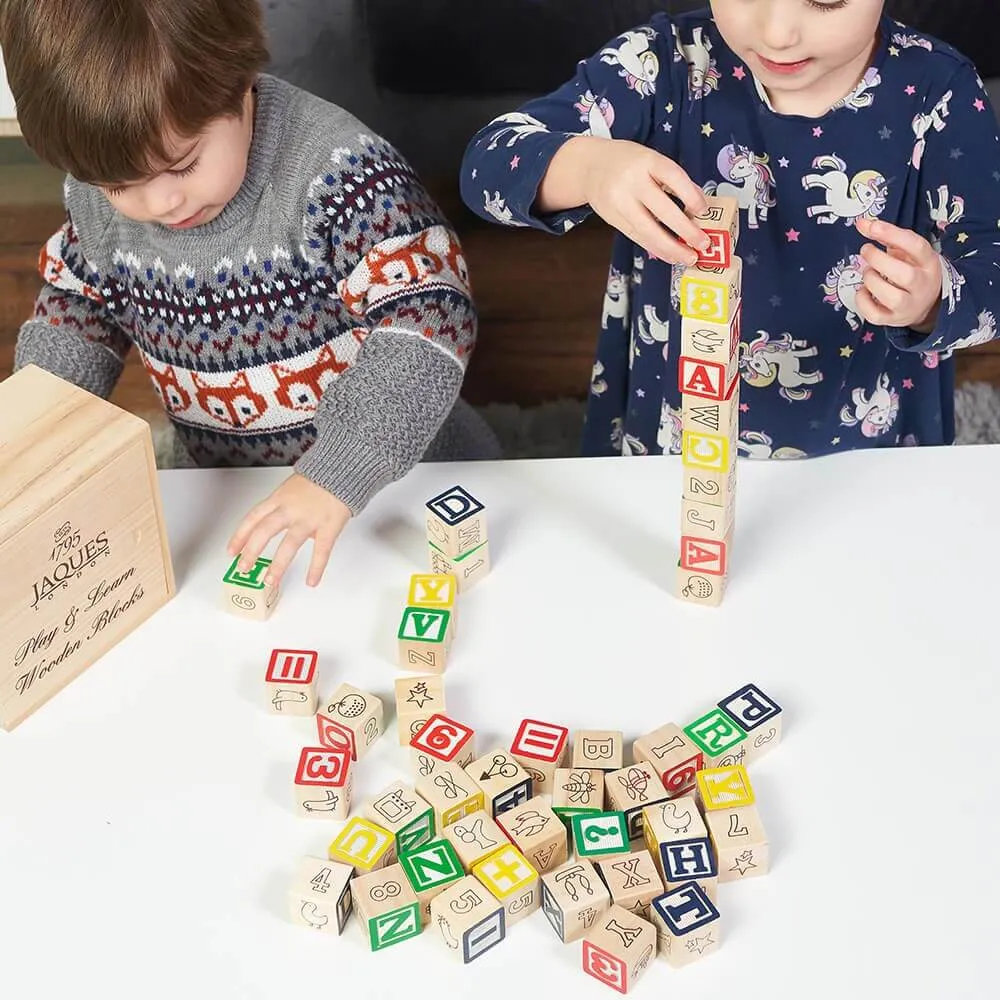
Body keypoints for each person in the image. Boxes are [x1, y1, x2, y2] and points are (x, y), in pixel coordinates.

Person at [1, 0, 499, 591]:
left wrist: (337, 472)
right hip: (228, 485)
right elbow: (78, 306)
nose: (160, 204)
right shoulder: (101, 184)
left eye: (183, 166)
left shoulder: (338, 173)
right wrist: (32, 434)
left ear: (236, 85)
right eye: (117, 185)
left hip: (397, 482)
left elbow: (430, 313)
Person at [460, 0, 1000, 460]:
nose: (777, 33)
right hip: (676, 433)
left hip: (871, 446)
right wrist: (589, 167)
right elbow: (486, 166)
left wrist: (933, 299)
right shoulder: (663, 64)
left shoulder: (940, 89)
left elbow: (990, 272)